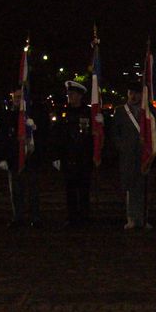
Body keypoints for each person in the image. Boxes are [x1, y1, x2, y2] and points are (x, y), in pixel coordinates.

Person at [0, 90, 44, 228]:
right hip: (13, 158)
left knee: (33, 189)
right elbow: (2, 138)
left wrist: (34, 128)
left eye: (20, 97)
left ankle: (35, 217)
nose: (17, 100)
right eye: (15, 97)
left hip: (30, 157)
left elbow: (43, 135)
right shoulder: (7, 116)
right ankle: (18, 217)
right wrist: (2, 158)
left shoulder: (33, 114)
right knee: (16, 190)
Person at [111, 81, 151, 230]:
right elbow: (115, 133)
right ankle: (131, 218)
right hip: (127, 156)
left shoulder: (147, 111)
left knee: (143, 187)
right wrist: (121, 147)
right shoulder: (121, 111)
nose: (133, 96)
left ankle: (143, 218)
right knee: (129, 188)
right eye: (131, 93)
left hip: (143, 155)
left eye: (137, 93)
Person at [54, 80, 94, 227]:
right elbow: (57, 135)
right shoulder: (63, 112)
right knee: (70, 190)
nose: (70, 96)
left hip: (83, 156)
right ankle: (71, 218)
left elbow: (93, 135)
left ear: (80, 96)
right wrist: (56, 156)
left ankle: (84, 217)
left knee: (84, 189)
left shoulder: (88, 113)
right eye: (69, 94)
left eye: (73, 94)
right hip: (68, 156)